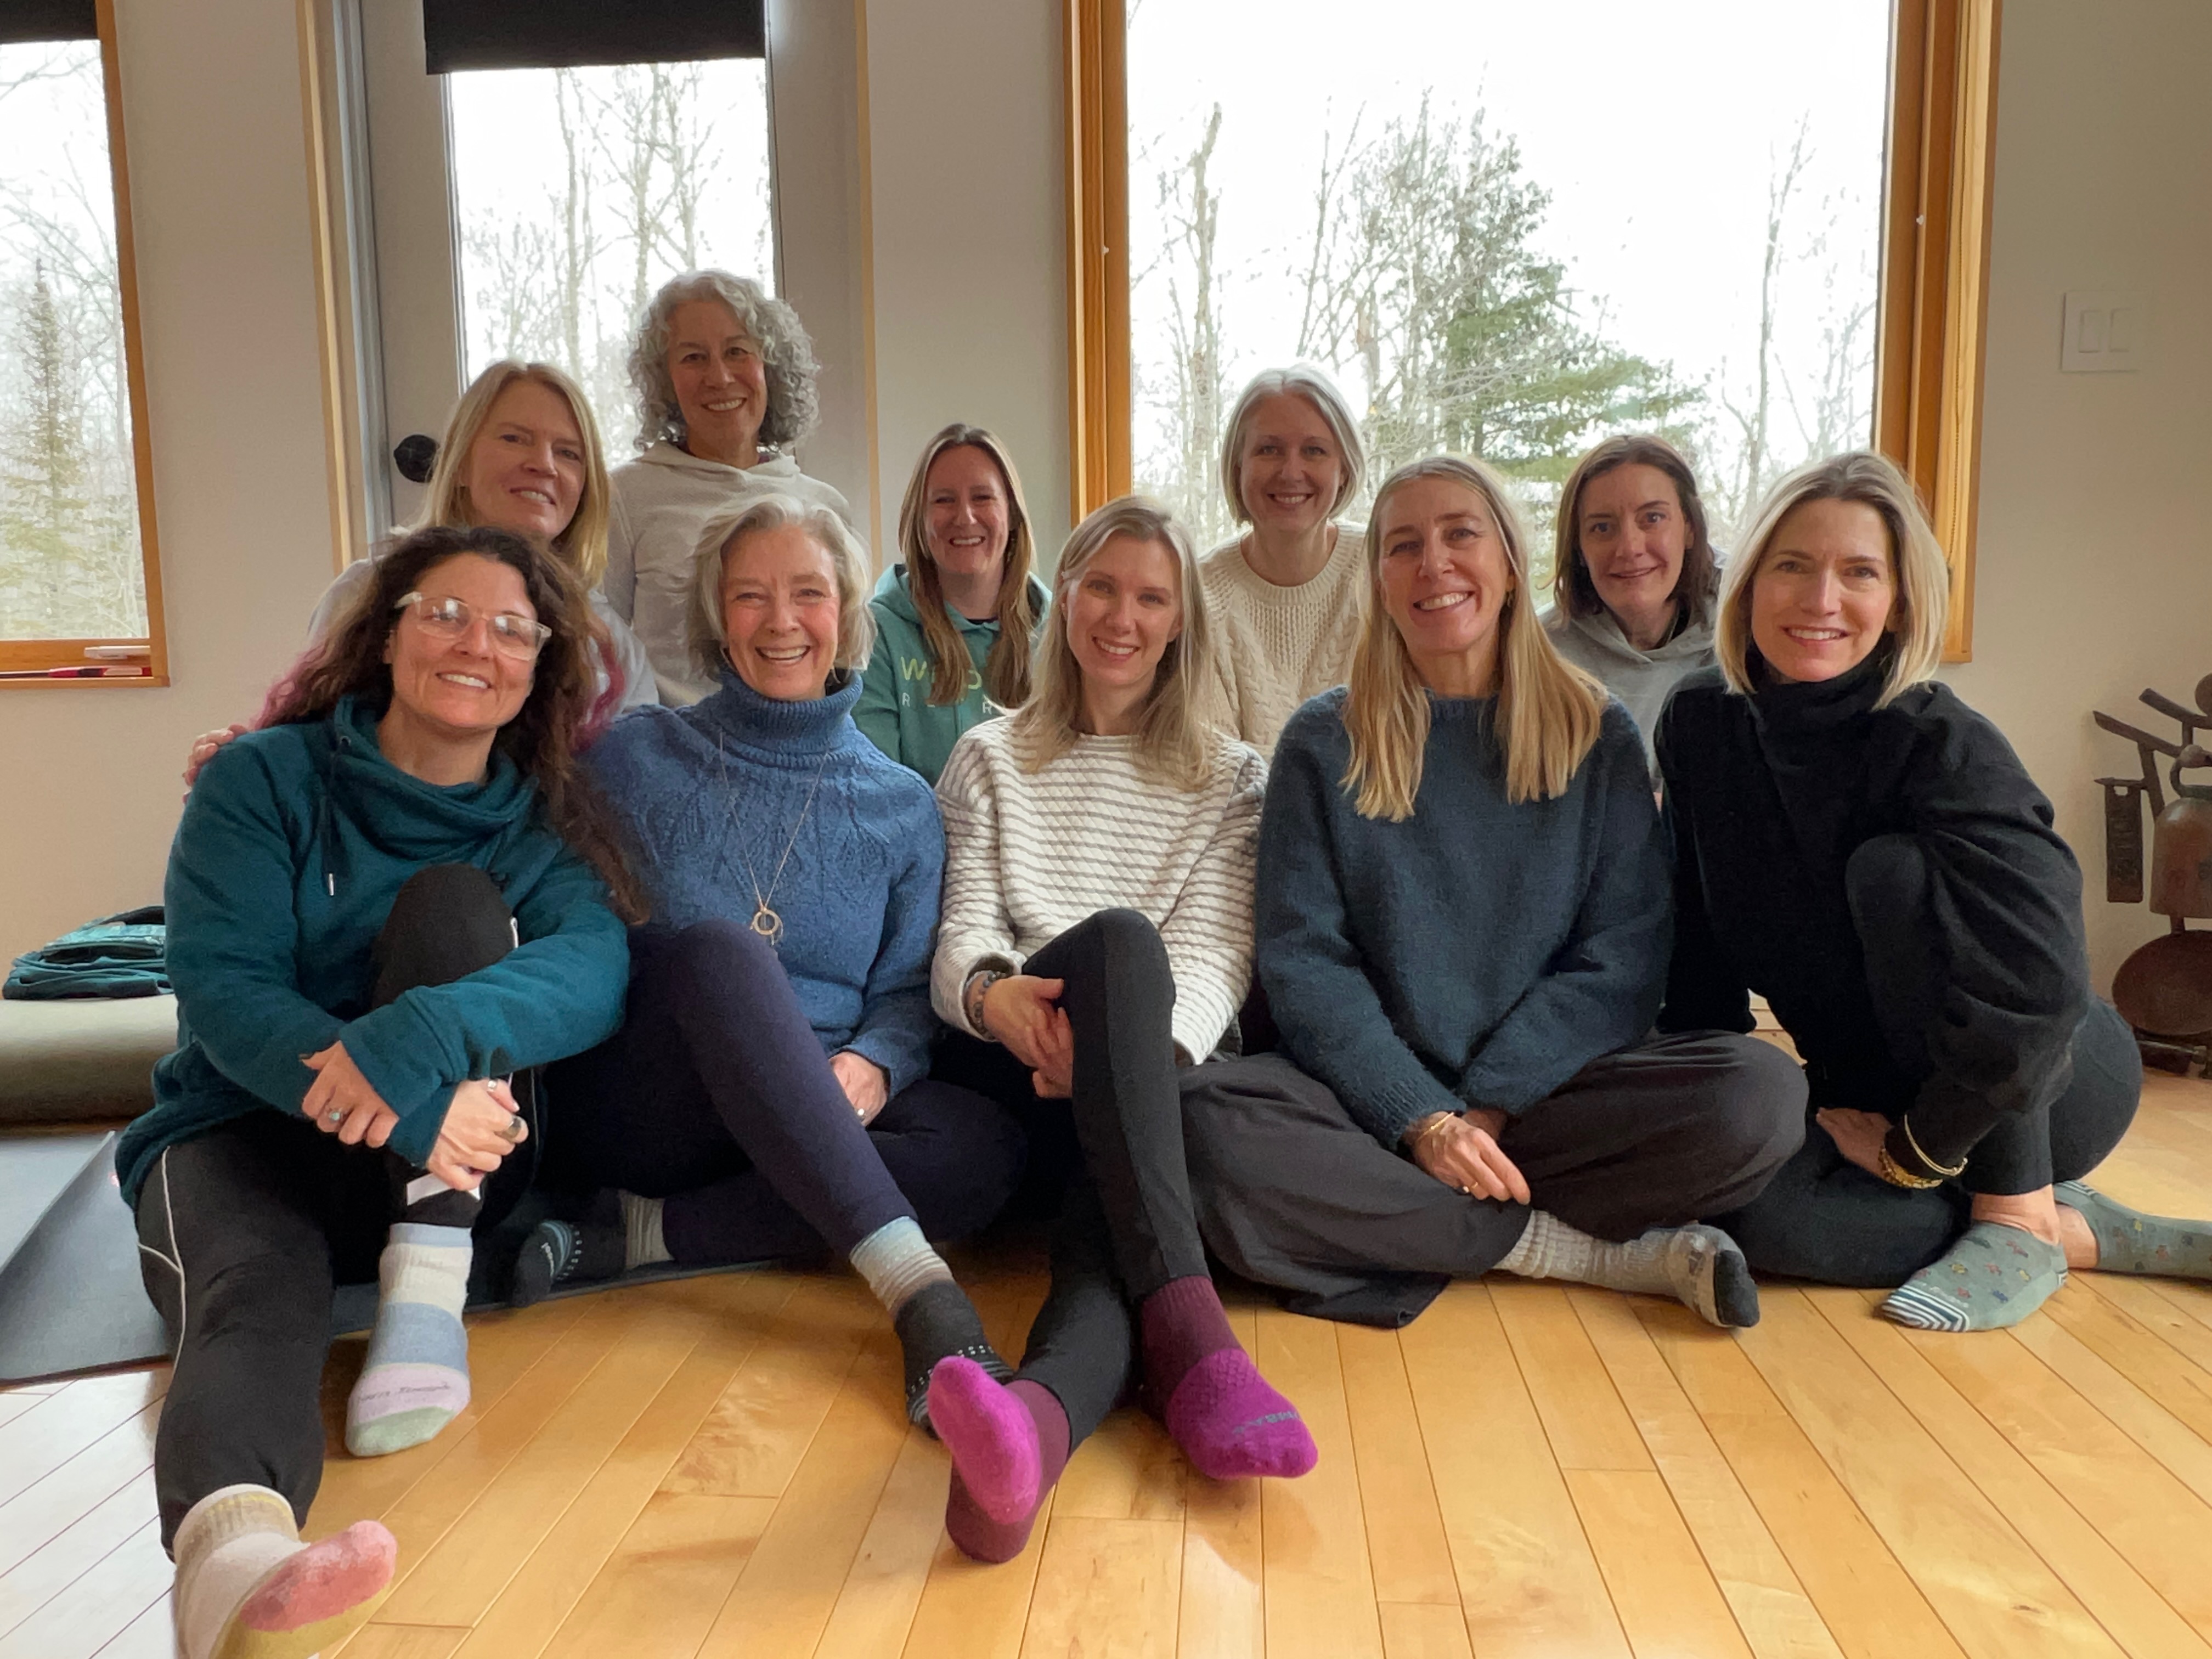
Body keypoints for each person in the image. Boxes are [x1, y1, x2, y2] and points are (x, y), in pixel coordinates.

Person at [121, 525, 636, 1659]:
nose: (476, 644)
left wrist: (424, 1036)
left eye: (512, 629)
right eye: (445, 613)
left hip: (435, 1182)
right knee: (251, 1293)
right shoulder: (263, 778)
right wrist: (411, 1100)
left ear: (538, 668)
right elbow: (223, 989)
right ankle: (234, 1560)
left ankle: (423, 1302)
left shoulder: (533, 822)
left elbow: (594, 966)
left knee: (455, 910)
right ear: (388, 632)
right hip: (242, 1133)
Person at [1181, 456, 1806, 1333]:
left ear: (1511, 565)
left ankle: (1404, 1224)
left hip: (1549, 1098)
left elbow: (1623, 961)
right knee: (1201, 1124)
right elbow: (1306, 965)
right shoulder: (1322, 742)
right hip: (1371, 1102)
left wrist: (1491, 1106)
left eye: (1460, 535)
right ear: (1378, 581)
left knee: (1759, 1096)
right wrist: (1422, 1121)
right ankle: (1582, 1252)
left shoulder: (1597, 733)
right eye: (1404, 545)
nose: (1433, 564)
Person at [1658, 450, 2212, 1330]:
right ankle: (2082, 1232)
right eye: (1792, 565)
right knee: (1754, 1218)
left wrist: (1921, 1149)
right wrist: (1709, 1097)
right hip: (1867, 1092)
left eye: (1860, 573)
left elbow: (2038, 991)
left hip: (2038, 1084)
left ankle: (2020, 1211)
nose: (1821, 599)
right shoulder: (1701, 722)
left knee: (1892, 875)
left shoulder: (1941, 741)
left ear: (1901, 601)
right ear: (1750, 582)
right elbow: (1694, 931)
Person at [518, 494, 1025, 1427]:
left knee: (983, 1149)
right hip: (659, 1102)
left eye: (808, 593)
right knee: (722, 950)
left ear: (847, 613)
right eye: (750, 595)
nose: (781, 620)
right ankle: (923, 1294)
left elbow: (907, 989)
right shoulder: (633, 757)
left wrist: (875, 1061)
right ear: (717, 616)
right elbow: (506, 830)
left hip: (820, 1101)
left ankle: (650, 1233)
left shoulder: (902, 805)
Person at [922, 496, 1315, 1565]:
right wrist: (994, 997)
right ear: (1064, 598)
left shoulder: (1230, 775)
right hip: (1012, 1064)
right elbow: (963, 934)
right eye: (1101, 587)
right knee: (1119, 940)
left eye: (1151, 597)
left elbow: (1217, 957)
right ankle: (1195, 1335)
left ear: (1181, 619)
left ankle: (1030, 1431)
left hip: (1144, 1075)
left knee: (1108, 1230)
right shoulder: (988, 756)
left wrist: (1125, 1058)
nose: (1122, 616)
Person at [183, 360, 655, 785]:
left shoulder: (612, 645)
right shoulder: (367, 592)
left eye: (569, 453)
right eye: (514, 438)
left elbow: (641, 789)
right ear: (461, 463)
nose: (543, 465)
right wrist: (248, 767)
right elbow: (310, 741)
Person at [604, 270, 852, 704]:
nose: (719, 377)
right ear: (665, 379)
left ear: (770, 368)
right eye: (693, 357)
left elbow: (843, 661)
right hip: (668, 738)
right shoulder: (624, 497)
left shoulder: (824, 507)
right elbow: (598, 646)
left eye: (737, 351)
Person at [855, 424, 1049, 783]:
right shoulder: (876, 634)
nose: (965, 518)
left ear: (1012, 514)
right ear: (919, 519)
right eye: (944, 500)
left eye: (983, 497)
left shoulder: (1058, 631)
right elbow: (879, 787)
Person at [1194, 365, 1369, 753]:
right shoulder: (1198, 595)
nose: (1291, 472)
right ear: (1238, 466)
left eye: (1314, 451)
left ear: (1344, 468)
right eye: (1269, 450)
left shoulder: (1386, 570)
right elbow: (1215, 770)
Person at [1543, 433, 1720, 770]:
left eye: (1652, 518)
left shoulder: (1748, 625)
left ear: (1690, 528)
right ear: (1578, 547)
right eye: (1602, 527)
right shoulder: (1539, 654)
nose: (1629, 547)